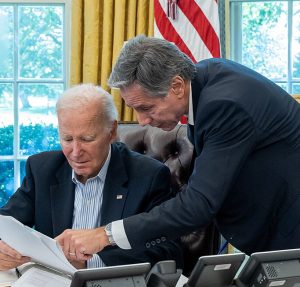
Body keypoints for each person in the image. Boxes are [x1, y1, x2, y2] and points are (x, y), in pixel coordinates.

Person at [55, 35, 300, 260]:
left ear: (177, 86)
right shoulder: (206, 79)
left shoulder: (224, 105)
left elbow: (199, 204)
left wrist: (105, 235)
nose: (142, 121)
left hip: (289, 233)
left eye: (146, 108)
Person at [0, 83, 183, 271]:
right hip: (52, 285)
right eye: (67, 139)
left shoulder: (149, 176)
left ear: (111, 132)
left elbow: (168, 252)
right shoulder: (42, 169)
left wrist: (91, 262)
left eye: (87, 139)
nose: (76, 152)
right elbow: (5, 222)